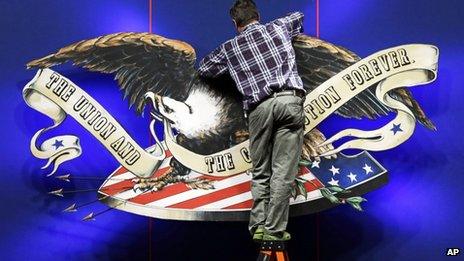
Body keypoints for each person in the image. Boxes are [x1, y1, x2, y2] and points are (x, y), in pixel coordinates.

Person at [197, 0, 306, 241]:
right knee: (283, 172)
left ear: (236, 24)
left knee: (260, 171)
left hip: (259, 109)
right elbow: (299, 16)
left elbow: (204, 68)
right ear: (257, 16)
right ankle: (275, 231)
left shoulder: (229, 48)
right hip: (290, 101)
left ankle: (258, 226)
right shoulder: (279, 27)